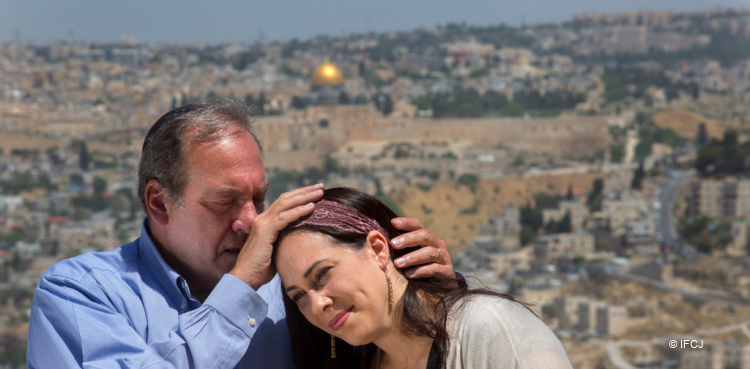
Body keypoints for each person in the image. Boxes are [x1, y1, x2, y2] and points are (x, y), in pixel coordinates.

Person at [27, 98, 456, 368]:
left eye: (259, 198)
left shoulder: (294, 287)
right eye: (223, 202)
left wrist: (429, 296)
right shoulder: (81, 293)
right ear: (159, 202)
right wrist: (240, 290)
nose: (252, 221)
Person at [273, 187, 573, 369]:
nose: (316, 305)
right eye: (298, 295)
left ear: (377, 249)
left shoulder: (487, 328)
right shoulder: (361, 363)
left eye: (322, 274)